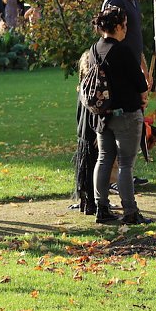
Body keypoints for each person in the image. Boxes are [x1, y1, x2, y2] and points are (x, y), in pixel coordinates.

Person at [91, 6, 151, 225]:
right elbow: (139, 83)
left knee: (104, 159)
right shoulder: (122, 51)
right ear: (116, 27)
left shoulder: (95, 49)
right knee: (126, 164)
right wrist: (143, 93)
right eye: (124, 25)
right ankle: (130, 211)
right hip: (126, 113)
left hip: (103, 114)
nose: (126, 29)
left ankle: (102, 208)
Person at [71, 49, 99, 216]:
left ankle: (85, 202)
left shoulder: (82, 86)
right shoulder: (92, 87)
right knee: (92, 168)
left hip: (82, 132)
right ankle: (92, 202)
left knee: (85, 169)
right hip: (91, 132)